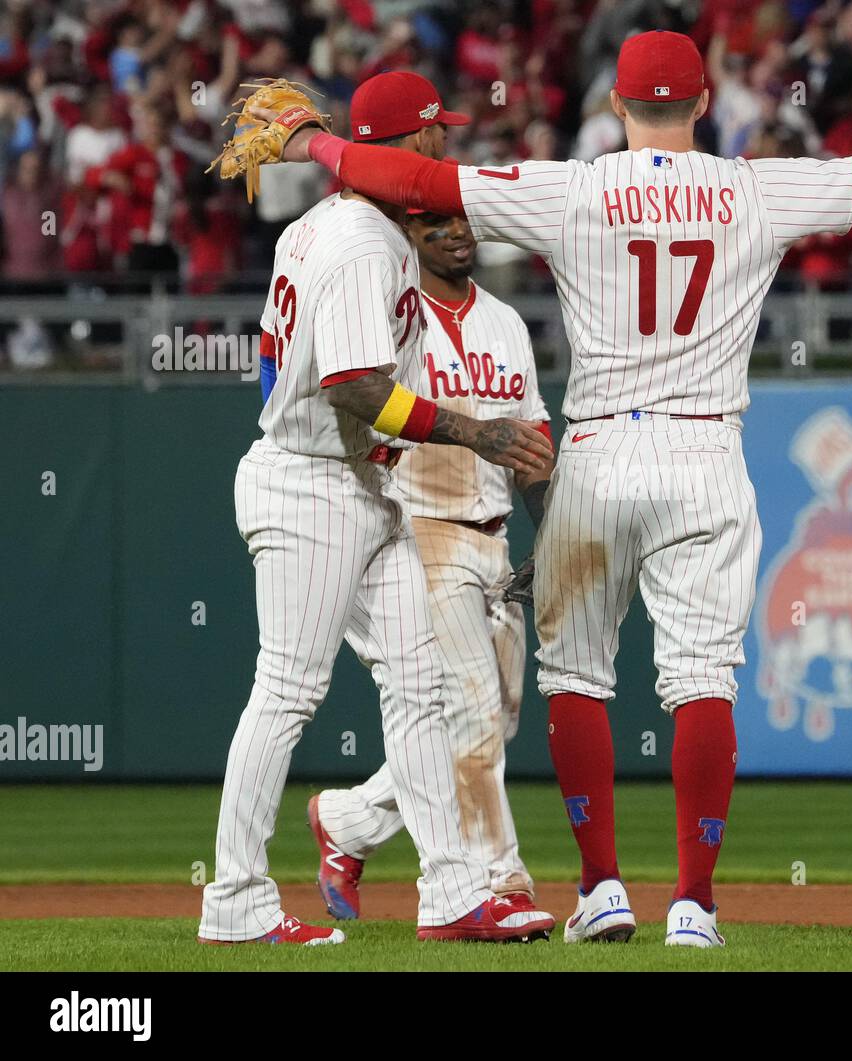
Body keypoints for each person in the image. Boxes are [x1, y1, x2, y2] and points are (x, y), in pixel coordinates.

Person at [254, 30, 852, 950]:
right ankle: (696, 905)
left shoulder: (575, 184)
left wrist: (312, 144)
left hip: (597, 448)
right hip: (706, 453)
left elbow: (422, 188)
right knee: (703, 681)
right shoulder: (754, 186)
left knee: (578, 678)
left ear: (618, 107)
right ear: (703, 103)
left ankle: (601, 888)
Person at [197, 71, 555, 947]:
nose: (448, 148)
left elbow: (280, 367)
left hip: (352, 479)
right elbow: (352, 384)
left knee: (420, 682)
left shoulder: (321, 227)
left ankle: (452, 891)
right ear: (412, 146)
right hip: (313, 482)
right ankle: (234, 897)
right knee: (286, 691)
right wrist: (473, 432)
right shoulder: (362, 241)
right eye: (438, 135)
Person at [306, 207, 554, 920]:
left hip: (493, 534)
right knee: (471, 711)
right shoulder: (390, 314)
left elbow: (533, 438)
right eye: (434, 223)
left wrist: (552, 531)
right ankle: (495, 881)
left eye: (463, 221)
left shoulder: (505, 322)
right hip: (418, 528)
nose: (457, 233)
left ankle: (351, 821)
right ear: (405, 236)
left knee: (489, 720)